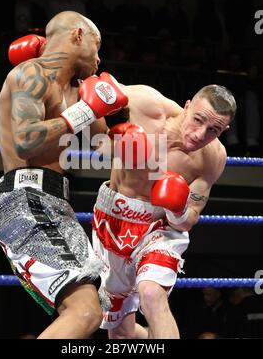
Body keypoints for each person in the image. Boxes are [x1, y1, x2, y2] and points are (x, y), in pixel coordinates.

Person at [0, 11, 128, 339]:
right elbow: (26, 141)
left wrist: (116, 110)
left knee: (93, 308)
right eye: (97, 45)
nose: (99, 56)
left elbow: (103, 148)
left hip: (56, 205)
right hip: (24, 202)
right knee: (85, 310)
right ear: (78, 35)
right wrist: (85, 111)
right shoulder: (30, 73)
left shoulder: (78, 89)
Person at [92, 84, 236, 338]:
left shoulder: (213, 157)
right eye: (198, 120)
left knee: (151, 293)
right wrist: (105, 136)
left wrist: (178, 207)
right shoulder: (147, 105)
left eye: (213, 130)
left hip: (159, 229)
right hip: (111, 220)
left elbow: (188, 220)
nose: (200, 134)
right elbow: (93, 87)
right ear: (188, 106)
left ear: (224, 131)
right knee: (121, 333)